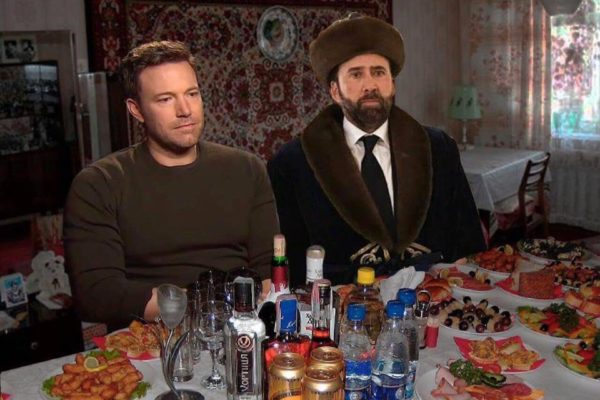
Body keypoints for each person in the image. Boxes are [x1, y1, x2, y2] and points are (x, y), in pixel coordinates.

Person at [64, 41, 278, 328]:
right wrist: (207, 306)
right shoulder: (98, 184)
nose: (185, 110)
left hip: (241, 327)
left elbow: (269, 272)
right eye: (165, 99)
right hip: (152, 337)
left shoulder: (247, 169)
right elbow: (96, 295)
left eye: (192, 94)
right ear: (136, 110)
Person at [268, 14, 486, 286]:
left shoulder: (439, 149)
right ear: (335, 90)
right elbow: (291, 266)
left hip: (434, 297)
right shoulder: (293, 163)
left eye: (379, 72)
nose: (370, 85)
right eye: (356, 74)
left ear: (392, 84)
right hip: (343, 304)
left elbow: (469, 244)